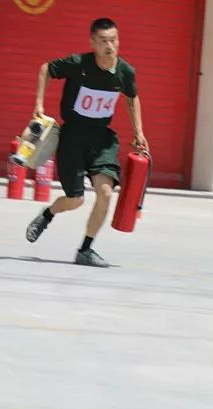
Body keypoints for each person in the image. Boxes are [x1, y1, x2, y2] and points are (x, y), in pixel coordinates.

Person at [25, 17, 148, 268]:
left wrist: (139, 131)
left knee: (105, 192)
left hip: (102, 139)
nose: (109, 46)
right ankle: (48, 214)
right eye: (103, 41)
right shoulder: (78, 64)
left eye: (113, 40)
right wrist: (39, 104)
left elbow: (132, 97)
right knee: (75, 200)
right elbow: (46, 69)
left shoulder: (125, 71)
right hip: (73, 137)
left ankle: (85, 249)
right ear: (92, 42)